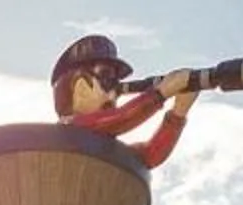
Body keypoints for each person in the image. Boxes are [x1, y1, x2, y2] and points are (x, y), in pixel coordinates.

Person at [50, 34, 199, 169]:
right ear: (80, 86)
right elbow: (121, 118)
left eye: (116, 84)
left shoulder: (106, 146)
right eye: (106, 78)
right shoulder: (70, 128)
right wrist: (161, 93)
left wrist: (178, 112)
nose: (113, 95)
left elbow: (149, 156)